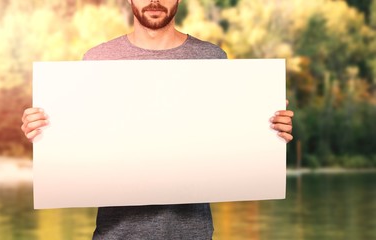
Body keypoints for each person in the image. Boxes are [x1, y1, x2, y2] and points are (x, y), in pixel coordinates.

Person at [21, 0, 294, 239]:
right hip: (115, 234)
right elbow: (82, 142)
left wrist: (269, 129)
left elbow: (228, 140)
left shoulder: (211, 58)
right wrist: (44, 129)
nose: (154, 0)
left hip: (192, 234)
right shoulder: (98, 59)